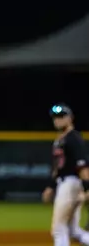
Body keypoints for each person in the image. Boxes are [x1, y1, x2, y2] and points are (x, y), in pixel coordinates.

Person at [41, 104, 89, 246]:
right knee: (73, 230)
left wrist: (87, 188)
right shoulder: (60, 139)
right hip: (65, 183)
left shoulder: (74, 138)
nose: (58, 120)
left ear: (70, 118)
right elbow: (58, 168)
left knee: (58, 229)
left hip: (71, 183)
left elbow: (82, 166)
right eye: (55, 117)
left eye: (61, 116)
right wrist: (50, 186)